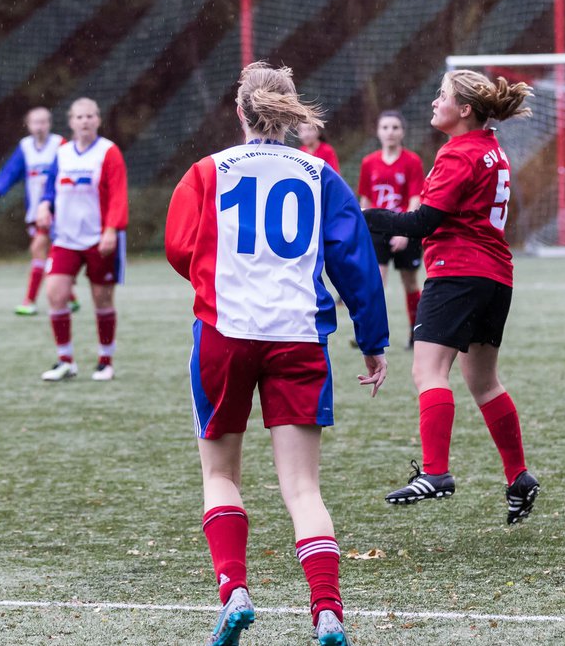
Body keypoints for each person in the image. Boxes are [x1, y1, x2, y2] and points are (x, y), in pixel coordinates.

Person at [165, 62, 388, 646]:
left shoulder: (207, 170)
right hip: (298, 335)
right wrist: (372, 341)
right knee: (303, 489)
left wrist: (219, 275)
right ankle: (327, 613)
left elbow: (178, 246)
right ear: (290, 114)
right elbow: (356, 263)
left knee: (219, 473)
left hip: (226, 332)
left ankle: (235, 591)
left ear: (239, 111)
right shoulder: (320, 172)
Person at [363, 69, 540, 525]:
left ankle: (437, 472)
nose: (434, 103)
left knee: (428, 371)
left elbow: (421, 224)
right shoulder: (489, 148)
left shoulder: (458, 152)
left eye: (441, 96)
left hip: (458, 273)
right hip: (495, 276)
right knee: (483, 382)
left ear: (464, 110)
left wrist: (361, 217)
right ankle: (518, 476)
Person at [35, 98, 128, 381]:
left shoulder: (108, 152)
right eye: (79, 117)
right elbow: (50, 189)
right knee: (55, 293)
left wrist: (111, 228)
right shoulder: (62, 154)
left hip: (99, 239)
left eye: (90, 116)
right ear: (71, 122)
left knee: (102, 298)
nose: (85, 121)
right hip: (65, 239)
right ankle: (65, 361)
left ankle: (105, 360)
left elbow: (118, 195)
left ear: (98, 120)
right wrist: (44, 205)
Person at [0, 107, 74, 315]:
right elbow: (11, 171)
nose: (40, 126)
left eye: (43, 122)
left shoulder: (60, 145)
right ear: (28, 125)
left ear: (49, 124)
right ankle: (69, 295)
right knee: (53, 254)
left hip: (57, 210)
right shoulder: (25, 147)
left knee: (39, 250)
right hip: (34, 211)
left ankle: (29, 301)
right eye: (35, 122)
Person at [357, 110, 426, 348]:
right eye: (385, 127)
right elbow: (365, 200)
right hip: (377, 229)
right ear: (378, 131)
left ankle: (414, 333)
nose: (390, 132)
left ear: (402, 132)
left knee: (410, 282)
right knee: (375, 281)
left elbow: (415, 197)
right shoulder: (369, 162)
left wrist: (404, 230)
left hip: (404, 226)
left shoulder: (412, 161)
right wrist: (361, 230)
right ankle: (371, 335)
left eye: (395, 127)